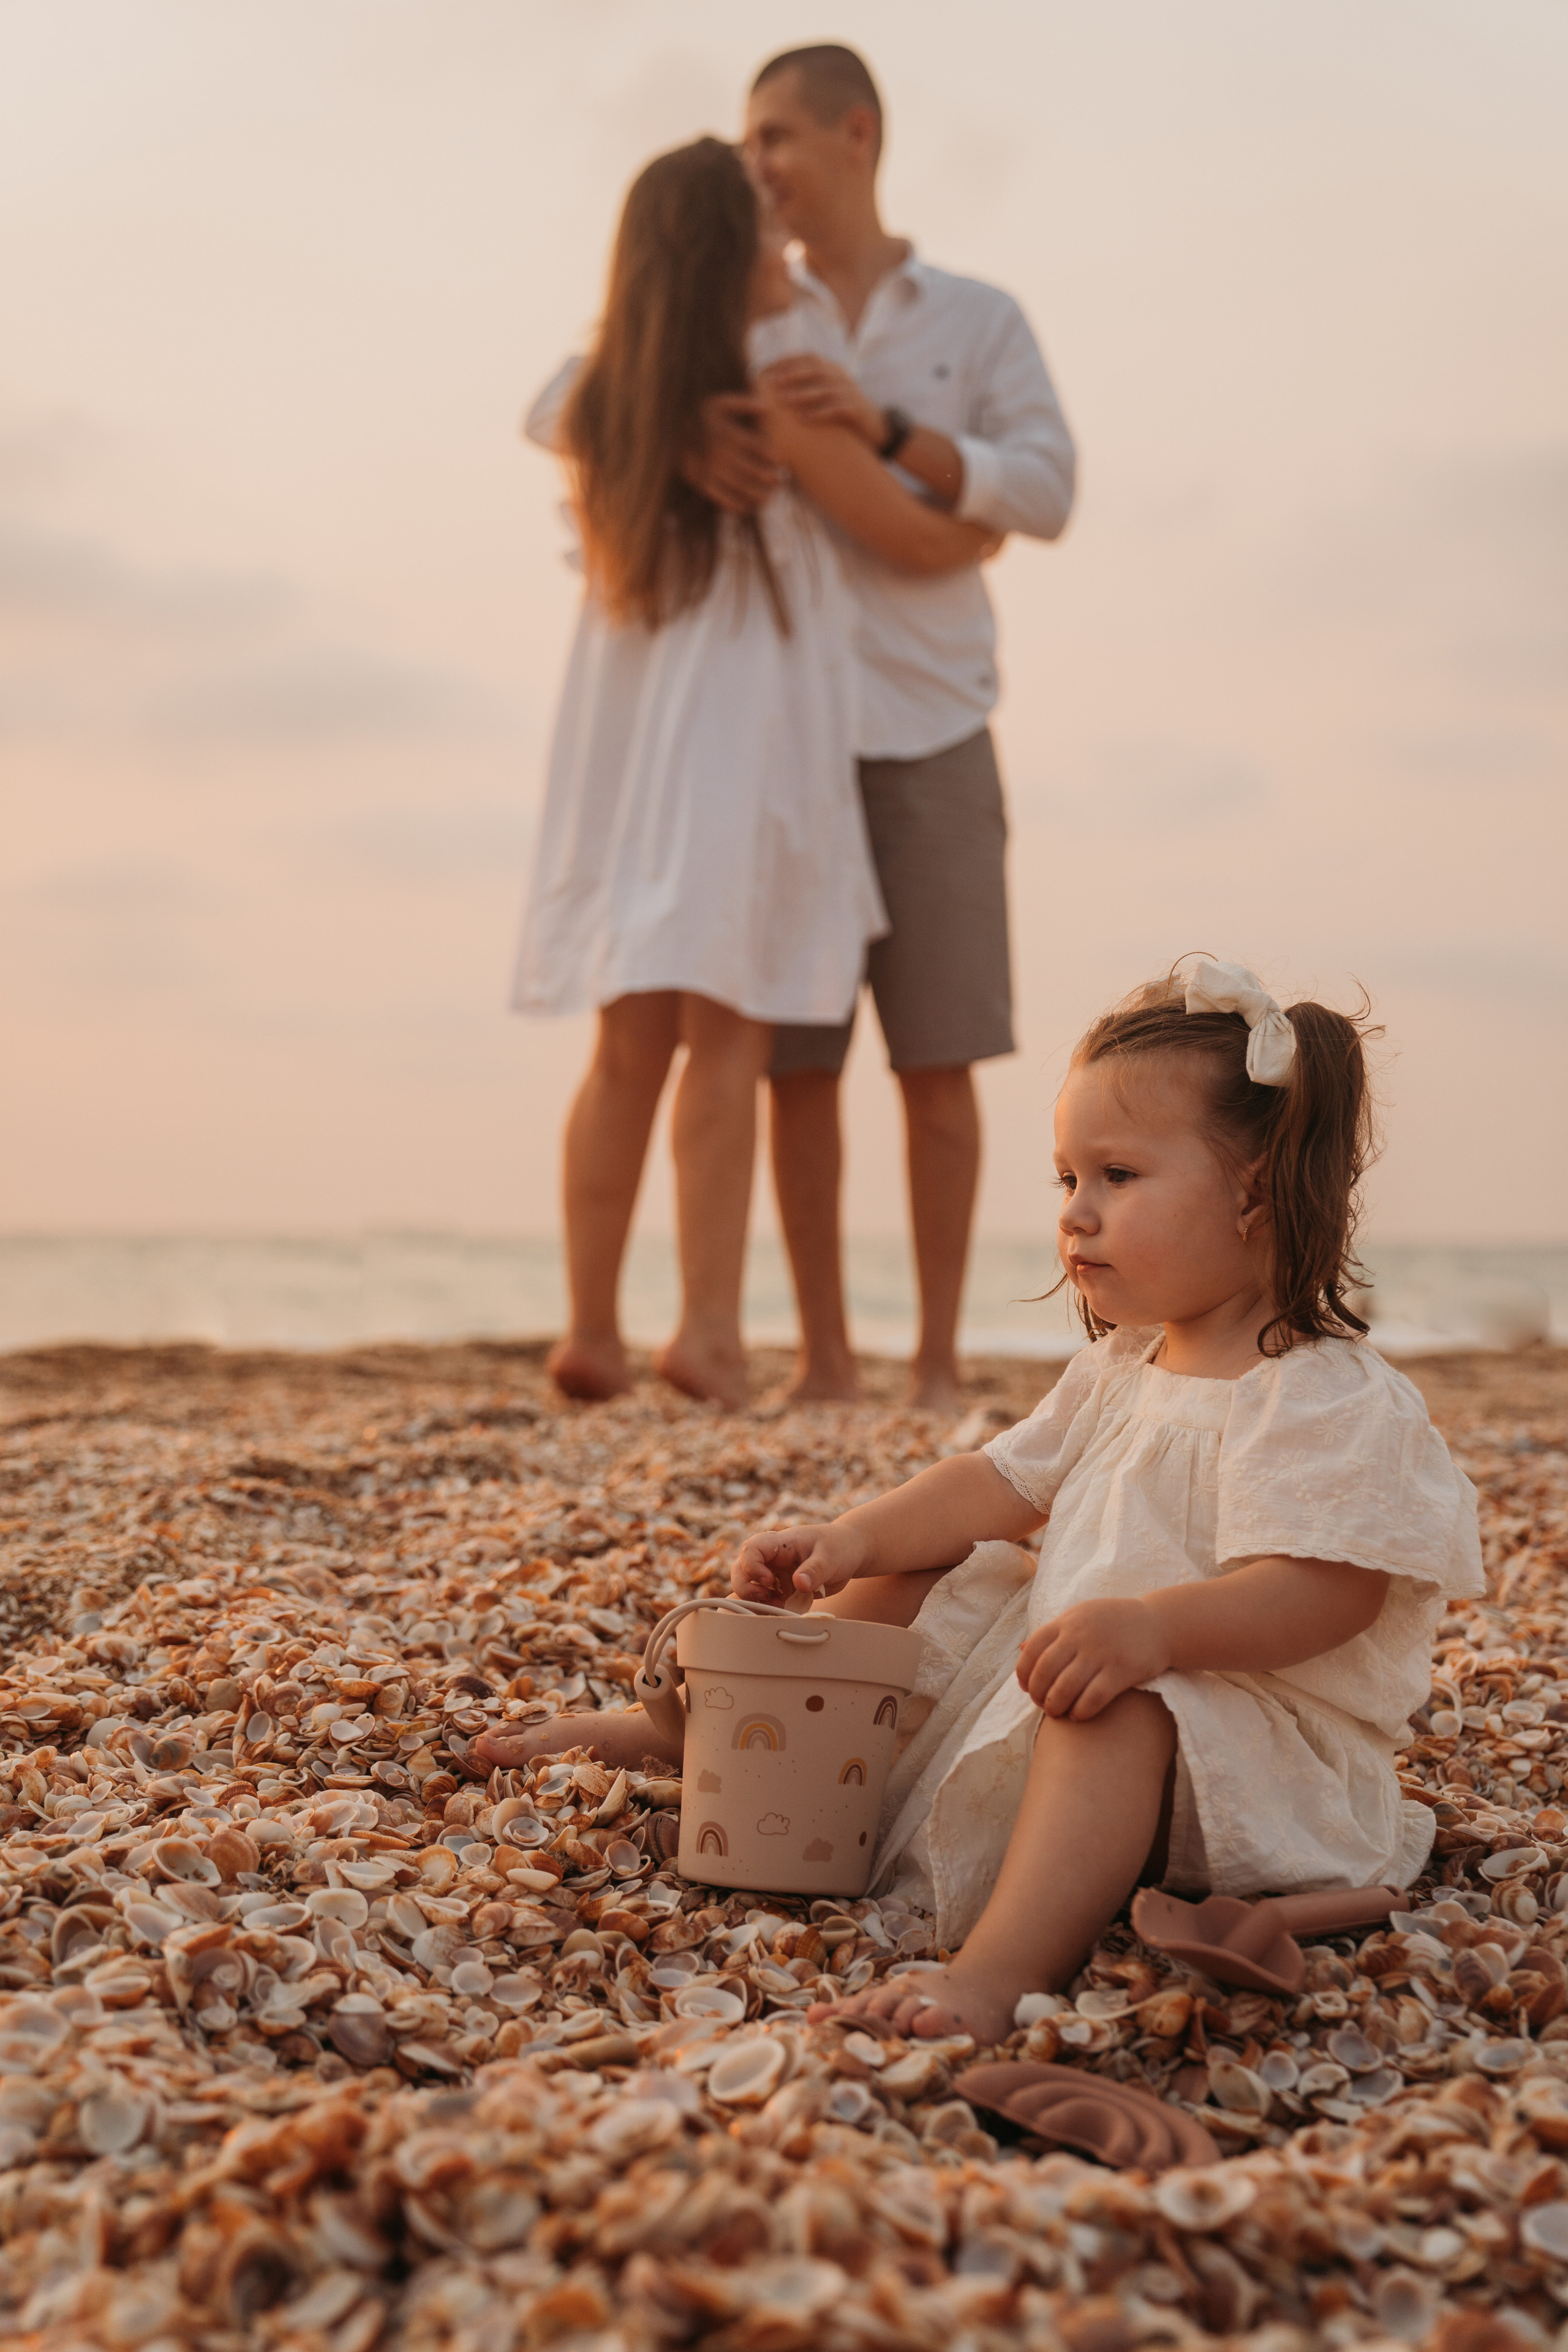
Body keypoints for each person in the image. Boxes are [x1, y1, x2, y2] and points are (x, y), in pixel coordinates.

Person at [712, 959, 1483, 2041]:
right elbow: (995, 1482)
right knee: (928, 1573)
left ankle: (996, 1973)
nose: (1077, 1215)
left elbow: (1328, 1591)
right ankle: (702, 1739)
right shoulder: (1124, 1366)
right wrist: (851, 1537)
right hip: (1077, 1674)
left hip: (1243, 1750)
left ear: (1256, 1189)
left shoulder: (1317, 1394)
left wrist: (1155, 1630)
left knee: (1111, 1700)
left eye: (1117, 1176)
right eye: (1067, 1181)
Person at [512, 138, 999, 1413]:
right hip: (741, 743)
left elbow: (546, 399)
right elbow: (891, 524)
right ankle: (710, 1332)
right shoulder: (788, 371)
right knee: (724, 1040)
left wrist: (657, 424)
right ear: (731, 258)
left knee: (626, 1048)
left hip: (626, 755)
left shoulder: (616, 400)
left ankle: (588, 1328)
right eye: (766, 234)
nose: (787, 251)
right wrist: (982, 515)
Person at [709, 44, 1077, 1414]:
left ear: (852, 134)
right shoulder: (738, 312)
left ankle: (928, 1360)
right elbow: (578, 399)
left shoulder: (976, 320)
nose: (753, 168)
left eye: (772, 139)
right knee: (794, 1069)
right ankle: (820, 1360)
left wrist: (889, 428)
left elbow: (1041, 490)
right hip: (779, 737)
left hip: (930, 731)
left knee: (938, 1057)